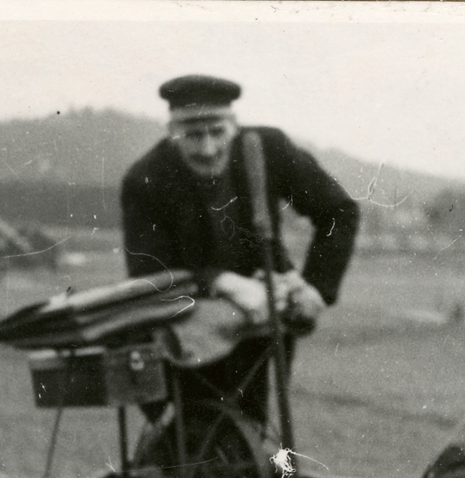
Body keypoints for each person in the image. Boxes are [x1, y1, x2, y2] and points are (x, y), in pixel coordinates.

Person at [121, 74, 359, 424]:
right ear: (172, 132)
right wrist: (223, 282)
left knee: (252, 426)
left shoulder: (267, 149)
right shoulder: (146, 178)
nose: (207, 149)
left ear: (234, 125)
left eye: (217, 132)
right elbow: (148, 272)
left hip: (266, 318)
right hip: (193, 323)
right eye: (193, 135)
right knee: (196, 426)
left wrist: (316, 288)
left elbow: (338, 211)